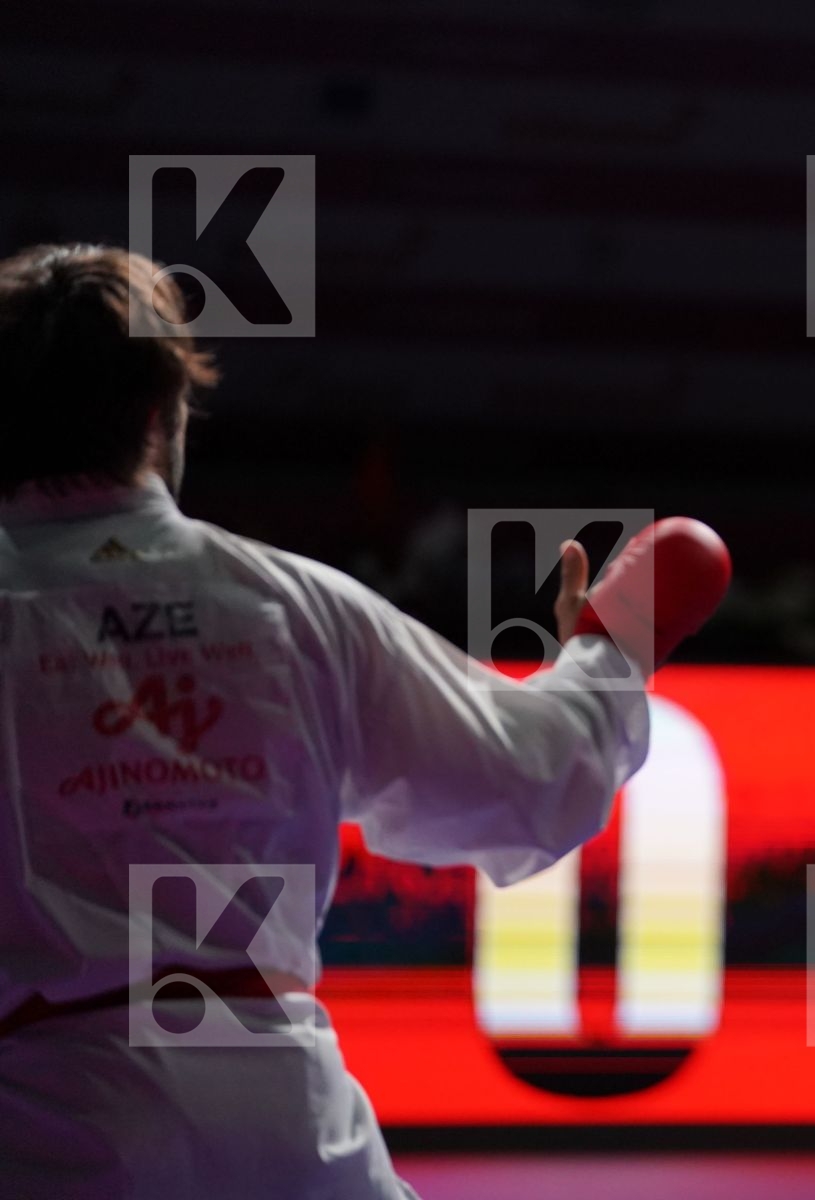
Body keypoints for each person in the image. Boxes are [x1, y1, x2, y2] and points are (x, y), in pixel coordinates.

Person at [0, 243, 731, 1198]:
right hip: (296, 1142)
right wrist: (612, 644)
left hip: (46, 1134)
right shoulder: (293, 605)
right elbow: (529, 779)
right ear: (161, 414)